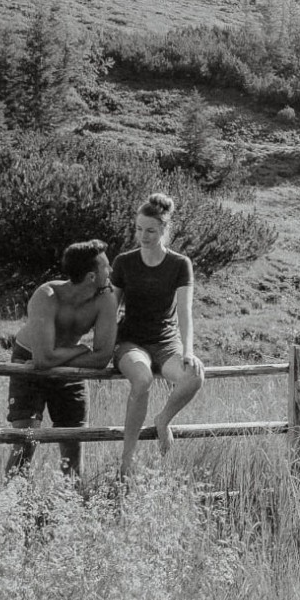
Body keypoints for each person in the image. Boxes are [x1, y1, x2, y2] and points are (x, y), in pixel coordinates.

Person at [8, 239, 120, 475]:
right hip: (27, 361)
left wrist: (55, 357)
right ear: (91, 276)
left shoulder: (106, 299)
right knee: (26, 440)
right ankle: (13, 504)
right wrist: (80, 350)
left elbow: (101, 359)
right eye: (106, 267)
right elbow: (41, 361)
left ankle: (71, 503)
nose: (110, 271)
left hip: (67, 372)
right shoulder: (47, 295)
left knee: (73, 441)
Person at [113, 191, 204, 473]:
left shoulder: (179, 264)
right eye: (139, 229)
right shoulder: (123, 262)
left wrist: (188, 351)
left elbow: (185, 312)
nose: (144, 236)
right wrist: (100, 347)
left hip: (166, 342)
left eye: (151, 230)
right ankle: (127, 461)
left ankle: (163, 420)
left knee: (194, 374)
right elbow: (110, 310)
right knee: (141, 380)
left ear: (164, 230)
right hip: (131, 341)